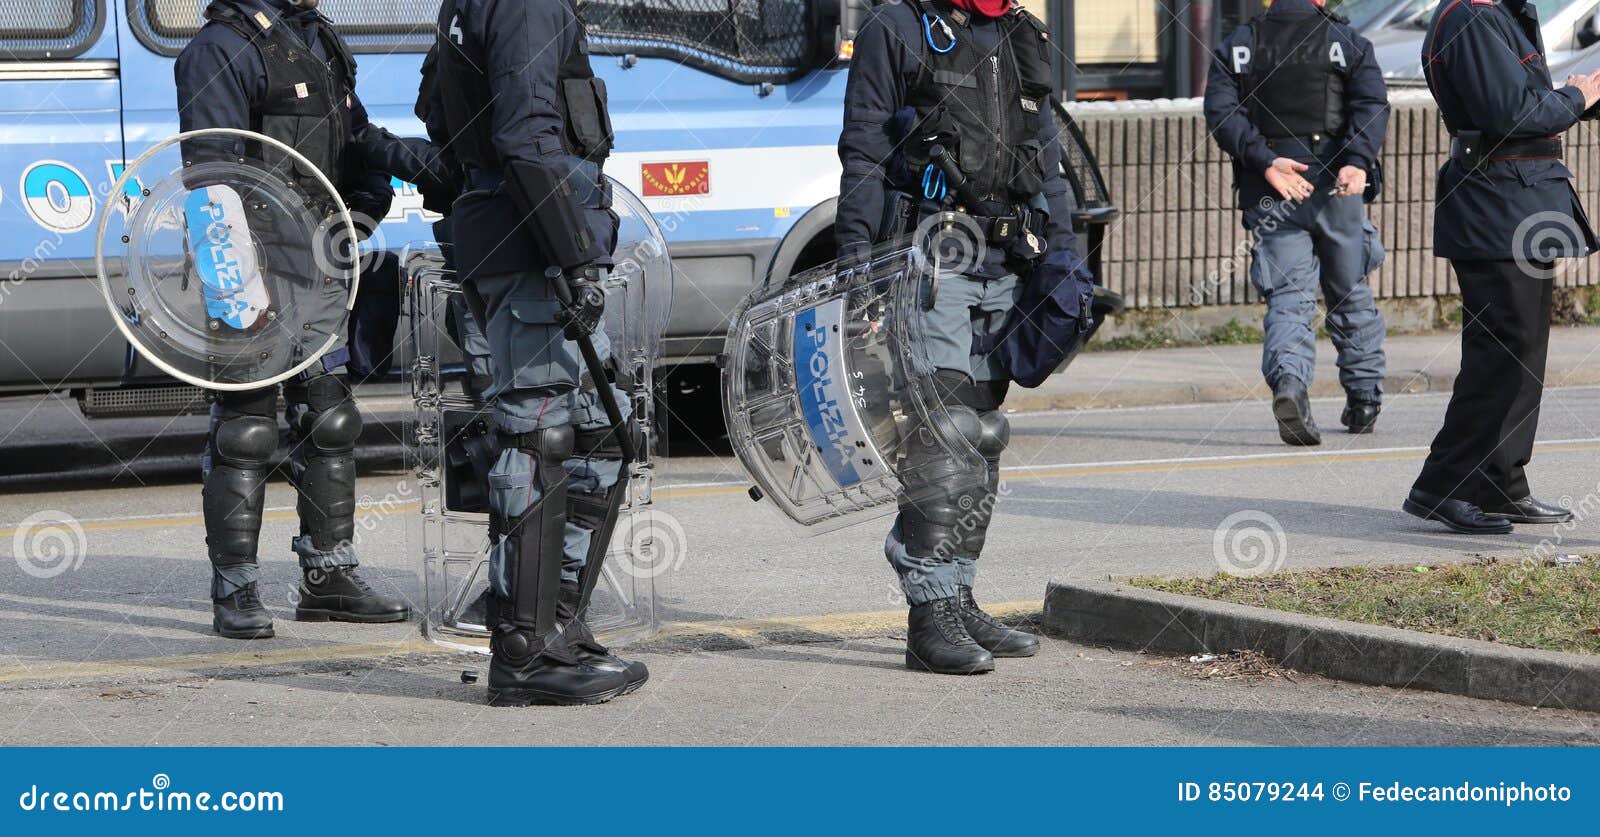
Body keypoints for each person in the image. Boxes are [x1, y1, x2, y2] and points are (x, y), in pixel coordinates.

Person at [836, 0, 1079, 674]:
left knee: (984, 432)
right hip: (931, 256)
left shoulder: (1019, 34)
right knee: (942, 431)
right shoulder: (898, 27)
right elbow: (862, 152)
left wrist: (1062, 260)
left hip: (1005, 264)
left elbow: (1047, 160)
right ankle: (929, 614)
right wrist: (860, 268)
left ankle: (959, 591)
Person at [177, 0, 418, 638]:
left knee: (331, 420)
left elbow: (353, 137)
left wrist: (375, 196)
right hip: (252, 266)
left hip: (320, 264)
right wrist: (236, 286)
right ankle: (235, 591)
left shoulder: (314, 36)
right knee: (245, 431)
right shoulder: (219, 48)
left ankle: (327, 578)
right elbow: (212, 175)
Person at [432, 0, 649, 705]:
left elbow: (443, 121)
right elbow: (525, 137)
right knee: (541, 432)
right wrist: (574, 257)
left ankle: (557, 624)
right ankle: (524, 653)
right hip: (535, 246)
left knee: (601, 431)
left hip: (524, 238)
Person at [1405, 0, 1600, 534]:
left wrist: (1584, 97)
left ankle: (1500, 484)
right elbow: (1511, 115)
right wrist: (1575, 94)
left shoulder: (1505, 13)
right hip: (1494, 206)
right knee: (1499, 356)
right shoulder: (1466, 18)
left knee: (1524, 357)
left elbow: (1532, 102)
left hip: (1523, 206)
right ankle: (1441, 487)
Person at [1204, 0, 1390, 446]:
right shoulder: (1346, 42)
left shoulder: (1239, 44)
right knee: (1350, 292)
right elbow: (1372, 104)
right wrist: (1357, 162)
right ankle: (1363, 399)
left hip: (1273, 189)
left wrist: (1266, 161)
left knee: (1289, 298)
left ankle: (1290, 384)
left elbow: (1222, 114)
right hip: (1334, 187)